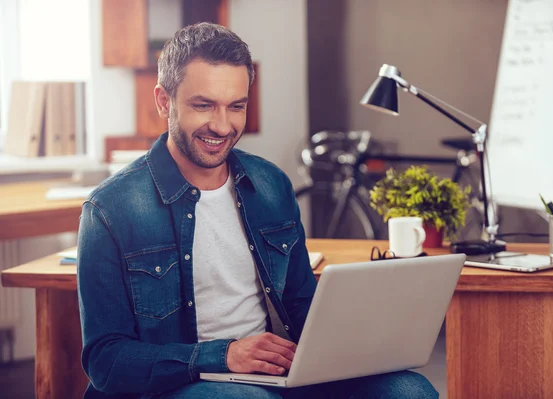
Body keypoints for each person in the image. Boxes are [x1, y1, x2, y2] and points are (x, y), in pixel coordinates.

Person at [77, 22, 438, 399]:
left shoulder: (270, 185)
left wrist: (356, 341)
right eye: (203, 105)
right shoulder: (110, 209)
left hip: (275, 375)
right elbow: (107, 361)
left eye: (237, 106)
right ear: (164, 101)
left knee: (409, 391)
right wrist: (224, 355)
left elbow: (301, 302)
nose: (222, 125)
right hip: (182, 382)